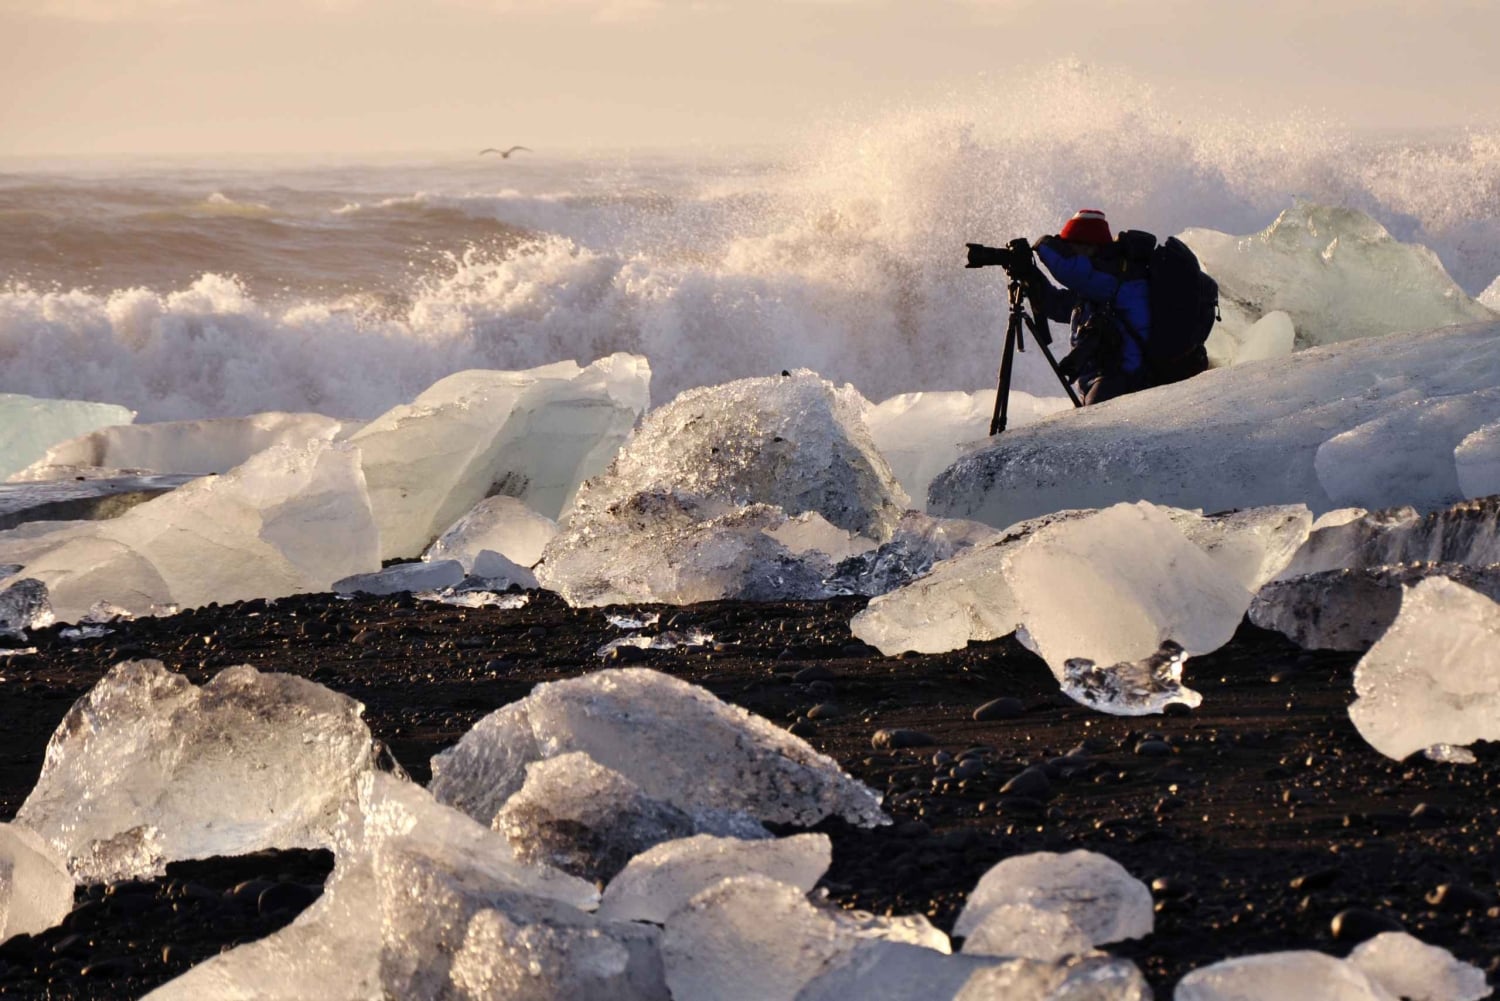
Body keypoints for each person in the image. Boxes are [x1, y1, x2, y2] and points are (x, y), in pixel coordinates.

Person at [1023, 209, 1153, 405]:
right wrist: (1029, 274)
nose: (1069, 252)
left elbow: (1066, 268)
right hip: (1103, 380)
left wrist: (1040, 244)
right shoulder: (1095, 289)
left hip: (1129, 380)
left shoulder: (1115, 278)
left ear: (1090, 247)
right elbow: (1057, 305)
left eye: (1071, 246)